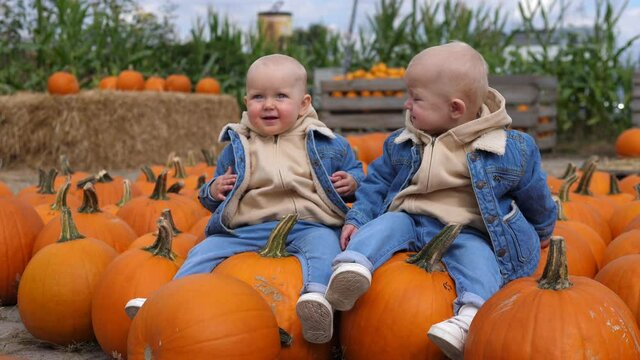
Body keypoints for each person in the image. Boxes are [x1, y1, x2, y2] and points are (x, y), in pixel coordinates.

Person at [321, 42, 557, 359]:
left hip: (466, 231)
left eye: (416, 99)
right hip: (411, 218)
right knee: (385, 225)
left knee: (480, 263)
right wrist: (357, 219)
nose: (407, 105)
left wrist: (543, 229)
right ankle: (352, 268)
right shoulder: (404, 143)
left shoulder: (507, 148)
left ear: (455, 109)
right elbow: (376, 183)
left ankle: (470, 317)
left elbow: (535, 194)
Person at [124, 54, 364, 344]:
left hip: (308, 223)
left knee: (327, 248)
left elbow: (355, 171)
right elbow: (213, 193)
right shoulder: (240, 144)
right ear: (245, 101)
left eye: (281, 96)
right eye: (258, 97)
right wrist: (213, 190)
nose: (268, 105)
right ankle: (166, 302)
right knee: (204, 250)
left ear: (304, 104)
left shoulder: (325, 141)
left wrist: (352, 181)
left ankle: (315, 300)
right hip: (249, 225)